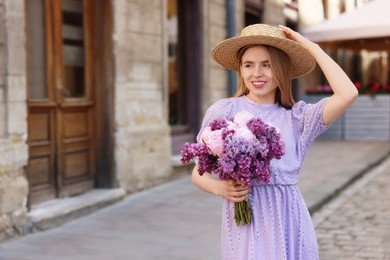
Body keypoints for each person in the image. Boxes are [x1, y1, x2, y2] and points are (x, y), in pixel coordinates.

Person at [191, 24, 358, 259]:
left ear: (281, 69)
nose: (256, 73)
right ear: (240, 69)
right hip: (245, 228)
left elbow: (348, 93)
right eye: (249, 65)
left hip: (291, 224)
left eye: (267, 65)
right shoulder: (224, 111)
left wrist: (310, 46)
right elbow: (198, 172)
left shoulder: (298, 118)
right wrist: (220, 187)